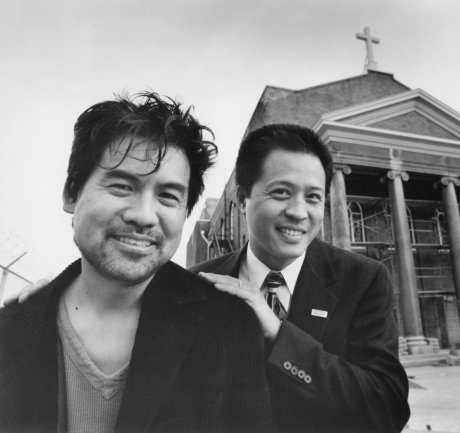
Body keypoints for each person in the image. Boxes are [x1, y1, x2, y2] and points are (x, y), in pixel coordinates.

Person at [0, 92, 272, 433]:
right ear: (72, 193)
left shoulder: (228, 326)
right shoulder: (11, 331)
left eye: (168, 196)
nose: (144, 216)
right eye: (122, 186)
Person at [193, 123, 410, 433]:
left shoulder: (363, 279)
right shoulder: (198, 284)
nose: (299, 212)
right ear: (243, 199)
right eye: (281, 192)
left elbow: (387, 408)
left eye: (313, 197)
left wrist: (280, 338)